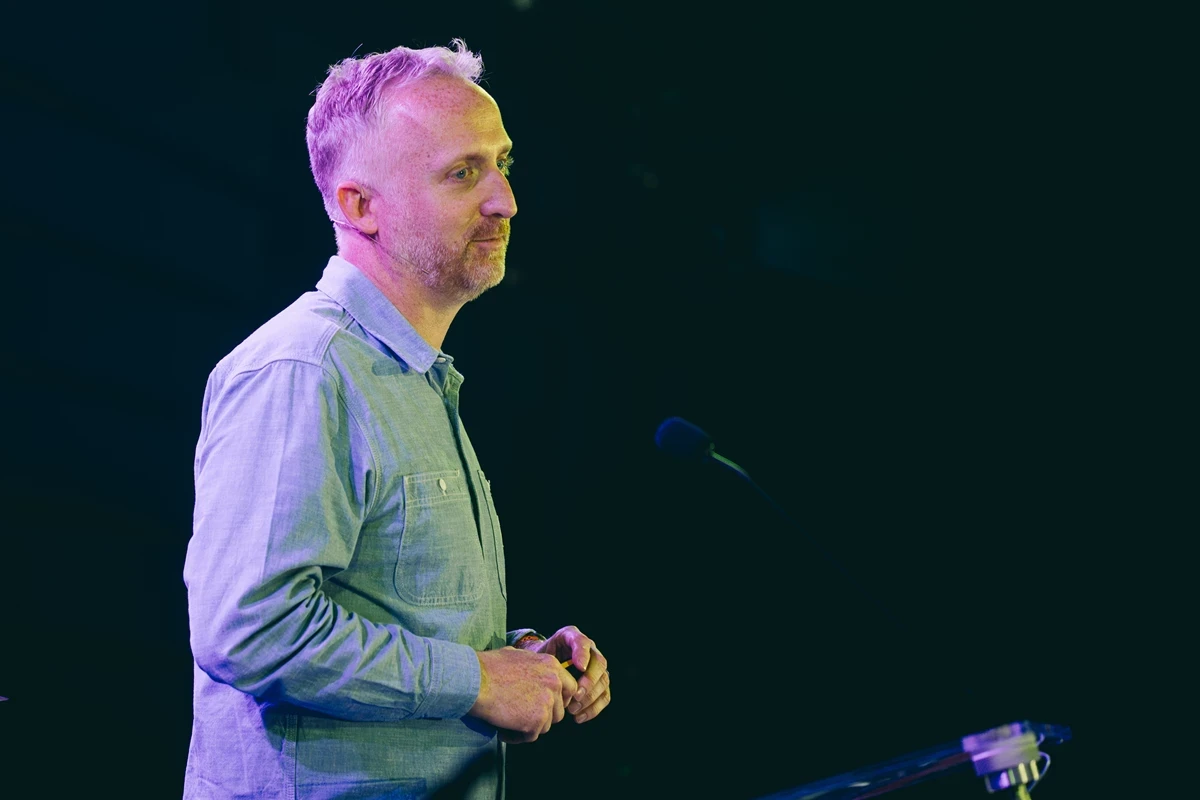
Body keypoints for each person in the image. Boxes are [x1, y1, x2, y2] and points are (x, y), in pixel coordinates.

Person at [182, 39, 611, 800]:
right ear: (360, 206)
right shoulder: (306, 369)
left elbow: (389, 610)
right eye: (462, 173)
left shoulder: (411, 379)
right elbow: (251, 628)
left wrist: (517, 659)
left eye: (502, 163)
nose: (505, 200)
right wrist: (476, 680)